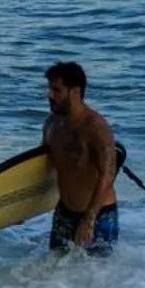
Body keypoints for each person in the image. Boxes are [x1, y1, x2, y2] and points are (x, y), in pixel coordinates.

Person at [43, 61, 119, 252]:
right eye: (49, 89)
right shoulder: (52, 125)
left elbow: (107, 175)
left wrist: (89, 219)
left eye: (56, 90)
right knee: (54, 271)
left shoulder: (96, 129)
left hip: (98, 215)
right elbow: (44, 167)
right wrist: (20, 207)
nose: (49, 95)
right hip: (64, 213)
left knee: (99, 277)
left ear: (75, 92)